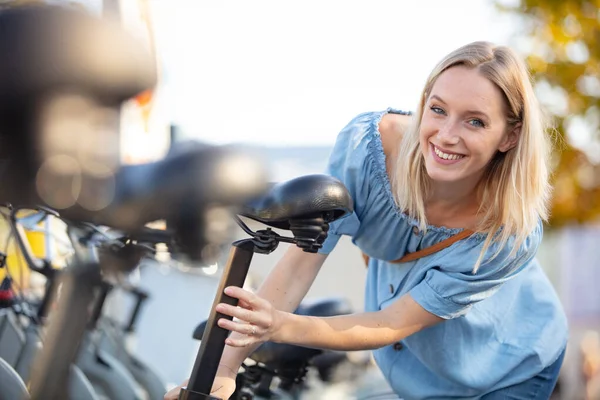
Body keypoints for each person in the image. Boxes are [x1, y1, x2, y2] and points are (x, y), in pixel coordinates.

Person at [165, 41, 568, 400]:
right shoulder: (368, 153)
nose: (446, 135)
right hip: (419, 372)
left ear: (509, 137)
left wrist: (280, 326)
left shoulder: (511, 235)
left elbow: (395, 322)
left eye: (475, 121)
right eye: (438, 109)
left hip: (509, 368)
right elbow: (301, 262)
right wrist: (222, 371)